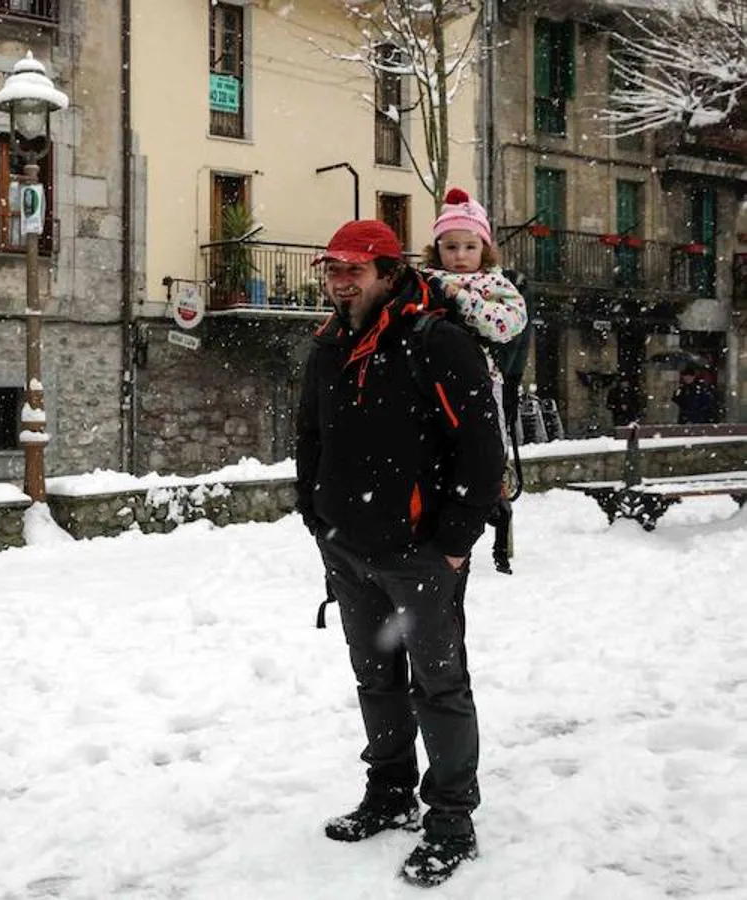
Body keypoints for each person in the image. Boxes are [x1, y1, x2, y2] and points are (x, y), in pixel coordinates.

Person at [296, 220, 505, 888]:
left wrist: (454, 543)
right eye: (334, 269)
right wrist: (317, 515)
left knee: (438, 687)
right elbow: (309, 435)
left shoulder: (435, 342)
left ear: (389, 271)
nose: (341, 281)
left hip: (419, 554)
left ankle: (451, 820)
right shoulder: (329, 344)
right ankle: (389, 792)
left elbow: (481, 447)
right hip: (349, 549)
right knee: (376, 679)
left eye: (356, 270)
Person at [420, 187, 527, 575]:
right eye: (451, 247)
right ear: (437, 249)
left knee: (485, 446)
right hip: (429, 383)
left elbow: (506, 325)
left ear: (484, 249)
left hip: (480, 382)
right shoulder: (425, 281)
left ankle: (494, 497)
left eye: (469, 246)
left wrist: (460, 300)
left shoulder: (495, 287)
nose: (460, 256)